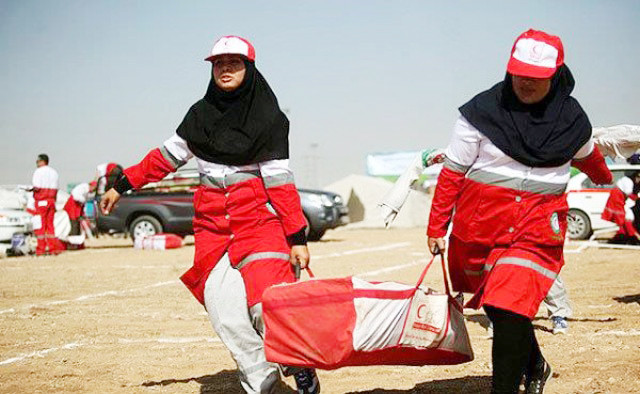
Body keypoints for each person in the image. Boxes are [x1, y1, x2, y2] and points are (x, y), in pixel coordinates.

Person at [100, 35, 319, 394]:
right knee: (227, 316)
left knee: (267, 304)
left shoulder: (270, 120)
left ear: (249, 69)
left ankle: (297, 358)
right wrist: (121, 184)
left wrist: (296, 237)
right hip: (212, 231)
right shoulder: (198, 115)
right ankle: (264, 387)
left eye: (234, 63)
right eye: (219, 63)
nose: (226, 69)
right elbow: (165, 159)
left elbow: (280, 184)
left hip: (259, 226)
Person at [427, 29, 612, 394]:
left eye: (536, 76)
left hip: (536, 230)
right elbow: (452, 173)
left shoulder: (572, 120)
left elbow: (591, 159)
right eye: (519, 73)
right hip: (480, 229)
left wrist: (605, 177)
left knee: (509, 304)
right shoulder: (479, 113)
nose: (525, 82)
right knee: (499, 308)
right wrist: (436, 225)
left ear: (555, 75)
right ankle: (536, 364)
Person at [31, 154, 65, 255]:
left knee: (40, 226)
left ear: (41, 161)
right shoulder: (54, 172)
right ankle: (53, 249)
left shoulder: (38, 172)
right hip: (51, 201)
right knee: (50, 226)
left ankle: (40, 249)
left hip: (41, 200)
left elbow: (36, 187)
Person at [602, 170, 640, 244]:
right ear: (635, 176)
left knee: (623, 219)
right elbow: (629, 194)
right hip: (617, 198)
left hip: (619, 198)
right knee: (622, 218)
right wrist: (637, 197)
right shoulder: (628, 181)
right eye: (638, 177)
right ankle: (634, 236)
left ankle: (624, 237)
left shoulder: (628, 180)